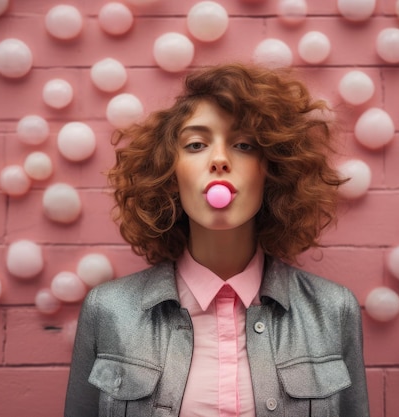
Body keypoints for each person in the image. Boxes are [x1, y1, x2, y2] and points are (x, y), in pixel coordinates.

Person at [64, 62, 369, 417]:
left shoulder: (334, 310)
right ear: (170, 171)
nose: (220, 159)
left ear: (271, 170)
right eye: (196, 144)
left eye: (243, 144)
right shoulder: (109, 310)